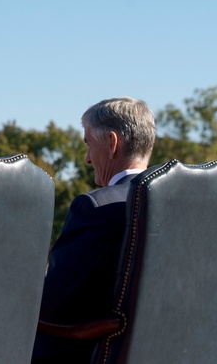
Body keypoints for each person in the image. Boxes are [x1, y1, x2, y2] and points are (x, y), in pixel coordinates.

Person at [31, 97, 156, 364]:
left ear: (112, 143)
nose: (87, 159)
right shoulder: (178, 210)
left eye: (89, 144)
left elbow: (51, 306)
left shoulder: (97, 208)